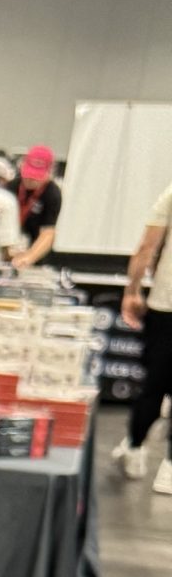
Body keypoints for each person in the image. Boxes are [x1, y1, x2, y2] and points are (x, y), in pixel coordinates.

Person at [114, 183, 172, 492]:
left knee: (154, 386)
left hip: (166, 304)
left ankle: (135, 448)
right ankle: (169, 469)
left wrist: (132, 291)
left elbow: (147, 246)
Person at [12, 144, 64, 269]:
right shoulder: (12, 187)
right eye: (28, 174)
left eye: (36, 177)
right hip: (10, 246)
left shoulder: (52, 193)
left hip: (35, 251)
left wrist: (30, 257)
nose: (30, 179)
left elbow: (48, 232)